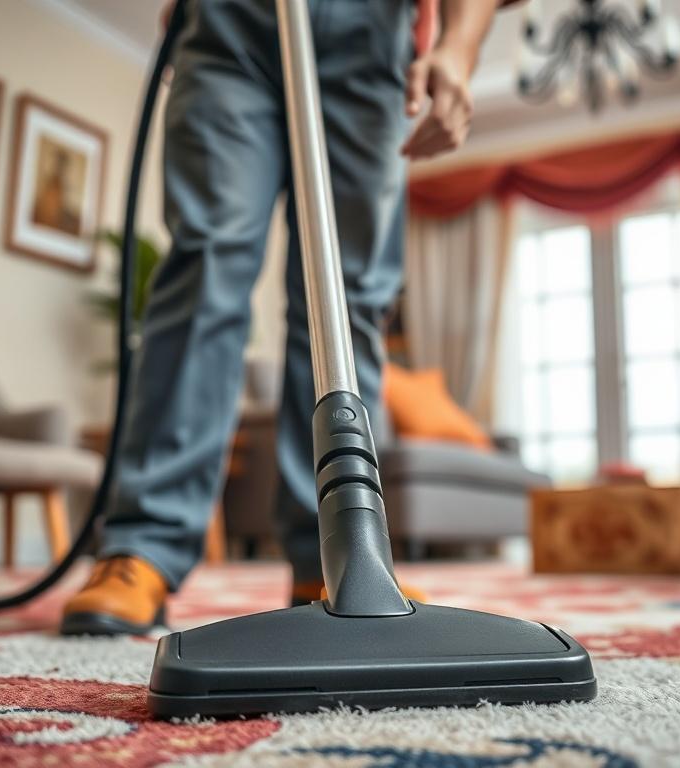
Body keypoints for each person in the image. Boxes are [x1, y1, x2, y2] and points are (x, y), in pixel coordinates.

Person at [60, 0, 512, 635]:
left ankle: (337, 552)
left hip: (374, 37)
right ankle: (144, 546)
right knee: (208, 258)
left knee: (348, 292)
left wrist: (458, 46)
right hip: (230, 21)